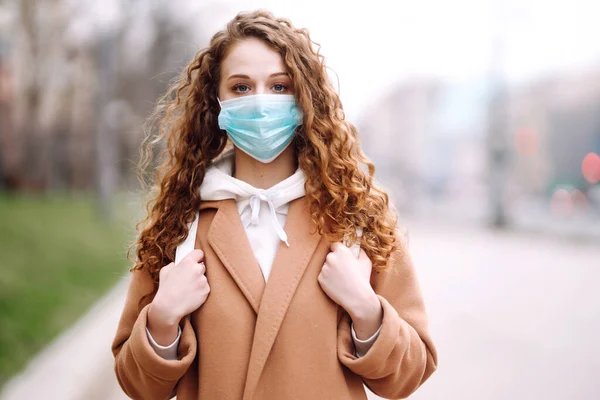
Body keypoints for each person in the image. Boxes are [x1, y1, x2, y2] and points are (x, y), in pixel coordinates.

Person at [112, 10, 437, 400]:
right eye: (242, 87)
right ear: (217, 102)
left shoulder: (357, 217)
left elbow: (410, 374)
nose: (261, 103)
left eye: (280, 86)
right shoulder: (180, 223)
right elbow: (137, 384)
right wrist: (163, 319)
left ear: (304, 98)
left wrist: (368, 311)